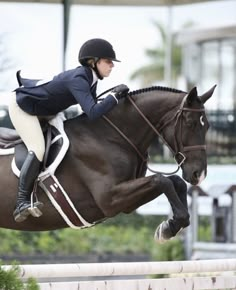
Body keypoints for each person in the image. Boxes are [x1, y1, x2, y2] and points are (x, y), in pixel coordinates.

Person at [9, 38, 129, 223]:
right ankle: (22, 201)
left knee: (69, 142)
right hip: (24, 108)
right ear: (93, 62)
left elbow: (92, 110)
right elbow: (93, 112)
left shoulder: (92, 78)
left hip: (49, 112)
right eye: (108, 61)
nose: (112, 65)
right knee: (38, 148)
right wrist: (113, 97)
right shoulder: (79, 78)